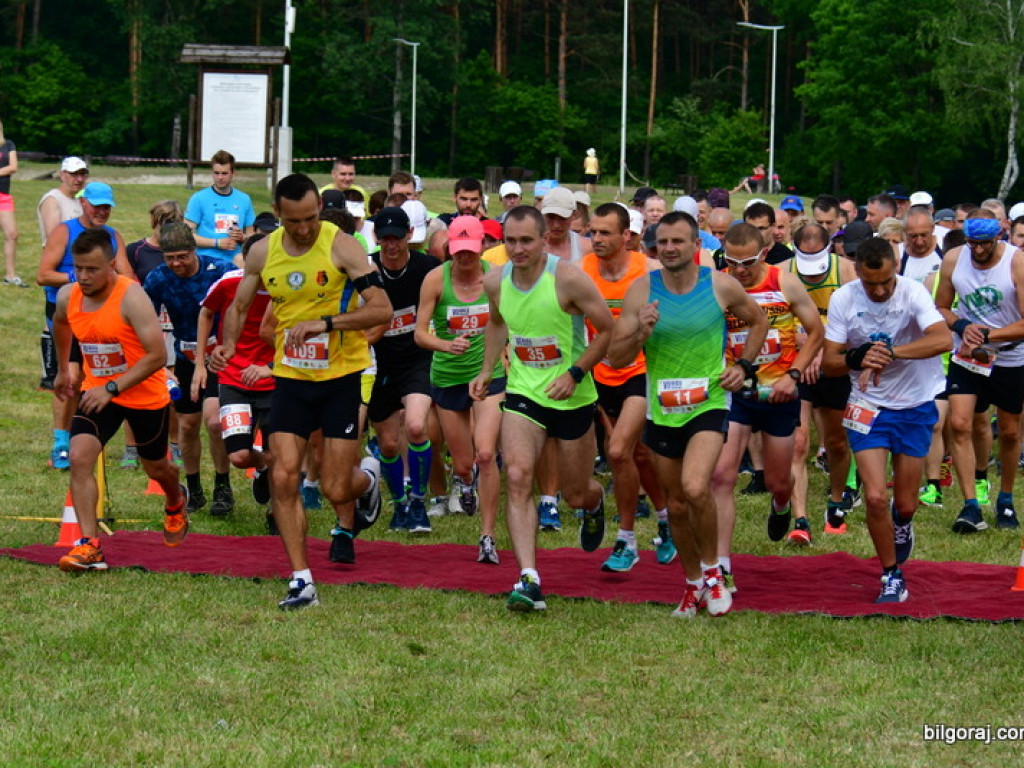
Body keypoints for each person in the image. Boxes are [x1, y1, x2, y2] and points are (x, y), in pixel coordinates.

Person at [217, 173, 389, 610]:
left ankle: (367, 479)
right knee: (283, 474)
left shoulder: (341, 245)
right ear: (278, 216)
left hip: (340, 379)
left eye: (311, 218)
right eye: (295, 221)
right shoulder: (262, 251)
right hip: (290, 378)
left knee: (334, 487)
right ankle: (301, 579)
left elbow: (381, 309)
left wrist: (326, 323)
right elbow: (239, 307)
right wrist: (228, 347)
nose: (306, 228)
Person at [608, 210, 768, 617]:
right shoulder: (642, 290)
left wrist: (744, 367)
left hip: (710, 402)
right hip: (663, 408)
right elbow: (616, 356)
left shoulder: (720, 285)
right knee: (676, 505)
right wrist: (640, 332)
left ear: (697, 246)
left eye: (678, 241)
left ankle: (714, 574)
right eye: (663, 242)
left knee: (697, 487)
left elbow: (759, 321)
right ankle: (693, 583)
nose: (670, 248)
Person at [470, 206, 613, 612]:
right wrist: (485, 371)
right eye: (510, 240)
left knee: (573, 493)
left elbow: (607, 329)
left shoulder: (566, 277)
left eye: (526, 240)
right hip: (523, 393)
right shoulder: (496, 281)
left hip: (572, 397)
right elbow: (497, 323)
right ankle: (529, 578)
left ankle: (595, 499)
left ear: (543, 240)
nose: (517, 249)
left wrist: (575, 372)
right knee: (517, 475)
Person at [822, 237, 952, 603]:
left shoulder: (912, 293)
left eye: (885, 282)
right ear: (858, 272)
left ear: (895, 268)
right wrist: (857, 357)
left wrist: (890, 354)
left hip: (914, 404)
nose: (879, 290)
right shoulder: (844, 299)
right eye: (870, 283)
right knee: (876, 498)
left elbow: (943, 340)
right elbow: (830, 362)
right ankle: (891, 575)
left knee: (905, 504)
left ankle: (904, 524)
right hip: (867, 406)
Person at [53, 227, 187, 571]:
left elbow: (157, 355)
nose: (83, 277)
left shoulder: (132, 297)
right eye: (78, 268)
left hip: (142, 393)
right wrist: (65, 367)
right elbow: (60, 323)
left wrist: (112, 387)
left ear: (112, 264)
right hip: (98, 394)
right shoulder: (70, 295)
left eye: (92, 269)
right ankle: (89, 545)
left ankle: (175, 499)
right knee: (80, 457)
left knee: (155, 467)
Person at [711, 222, 823, 589]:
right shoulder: (718, 284)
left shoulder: (783, 282)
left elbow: (816, 331)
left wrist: (794, 374)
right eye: (731, 261)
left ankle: (782, 505)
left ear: (763, 254)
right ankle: (722, 564)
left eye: (746, 262)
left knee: (778, 481)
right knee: (722, 475)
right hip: (736, 393)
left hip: (779, 393)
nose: (739, 270)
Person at [580, 203, 670, 571]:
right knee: (638, 456)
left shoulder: (647, 271)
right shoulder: (583, 271)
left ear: (625, 236)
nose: (597, 239)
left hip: (641, 369)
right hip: (600, 374)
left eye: (605, 233)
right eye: (593, 232)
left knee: (618, 452)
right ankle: (666, 522)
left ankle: (626, 541)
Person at [414, 216, 505, 563]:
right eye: (458, 251)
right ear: (449, 249)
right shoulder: (436, 279)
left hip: (488, 376)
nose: (464, 258)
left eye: (470, 251)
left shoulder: (495, 279)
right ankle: (464, 482)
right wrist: (444, 345)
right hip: (449, 377)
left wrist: (498, 360)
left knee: (485, 454)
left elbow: (508, 323)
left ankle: (487, 536)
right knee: (466, 464)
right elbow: (419, 333)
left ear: (482, 247)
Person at [935, 212, 1024, 532]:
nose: (978, 250)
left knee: (1011, 432)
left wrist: (989, 335)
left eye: (985, 244)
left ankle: (1006, 500)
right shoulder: (954, 259)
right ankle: (971, 505)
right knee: (960, 424)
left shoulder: (1016, 262)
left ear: (998, 237)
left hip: (1010, 356)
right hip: (968, 356)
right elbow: (942, 306)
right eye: (973, 243)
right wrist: (962, 325)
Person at [143, 222, 234, 516]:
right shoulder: (158, 278)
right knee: (187, 425)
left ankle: (223, 486)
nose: (176, 264)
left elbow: (239, 310)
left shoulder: (219, 270)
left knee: (216, 422)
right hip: (184, 355)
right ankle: (194, 489)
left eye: (182, 256)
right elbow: (145, 323)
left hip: (219, 355)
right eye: (170, 258)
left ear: (194, 251)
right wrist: (161, 365)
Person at [37, 182, 129, 471]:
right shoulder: (65, 231)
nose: (102, 211)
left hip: (104, 315)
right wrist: (79, 280)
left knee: (101, 378)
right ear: (83, 203)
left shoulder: (113, 236)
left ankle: (88, 438)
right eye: (97, 205)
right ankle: (61, 442)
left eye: (107, 206)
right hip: (68, 313)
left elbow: (128, 275)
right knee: (69, 378)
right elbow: (43, 274)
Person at [365, 206, 441, 533]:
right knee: (389, 445)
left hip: (416, 359)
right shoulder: (366, 270)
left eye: (397, 238)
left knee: (415, 427)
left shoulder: (428, 268)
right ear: (376, 238)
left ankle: (419, 503)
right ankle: (399, 505)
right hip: (379, 362)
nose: (392, 245)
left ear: (410, 235)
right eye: (385, 239)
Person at [783, 223, 858, 540]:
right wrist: (803, 349)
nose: (812, 276)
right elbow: (772, 323)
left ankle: (836, 503)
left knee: (837, 443)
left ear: (831, 249)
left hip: (835, 364)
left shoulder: (848, 272)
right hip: (795, 366)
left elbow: (860, 325)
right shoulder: (781, 271)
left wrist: (819, 348)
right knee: (798, 444)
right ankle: (800, 521)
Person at [197, 233, 276, 528]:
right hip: (234, 379)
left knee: (281, 452)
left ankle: (276, 513)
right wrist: (202, 362)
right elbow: (206, 311)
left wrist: (271, 366)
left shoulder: (287, 287)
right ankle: (263, 466)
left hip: (275, 381)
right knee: (241, 456)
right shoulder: (229, 282)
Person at [36, 156, 89, 390]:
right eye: (74, 174)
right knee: (54, 321)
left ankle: (70, 368)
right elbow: (53, 235)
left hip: (80, 267)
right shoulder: (53, 200)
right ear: (62, 174)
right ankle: (50, 373)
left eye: (82, 174)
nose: (78, 179)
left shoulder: (80, 199)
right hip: (60, 267)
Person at [184, 149, 255, 265]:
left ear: (233, 173)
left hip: (235, 263)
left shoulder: (244, 199)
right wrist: (217, 243)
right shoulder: (199, 198)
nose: (220, 177)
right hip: (206, 263)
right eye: (216, 173)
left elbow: (252, 235)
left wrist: (243, 237)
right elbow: (186, 236)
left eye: (224, 173)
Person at [0, 119, 23, 286]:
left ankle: (10, 275)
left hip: (3, 196)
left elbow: (13, 166)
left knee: (12, 234)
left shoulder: (8, 145)